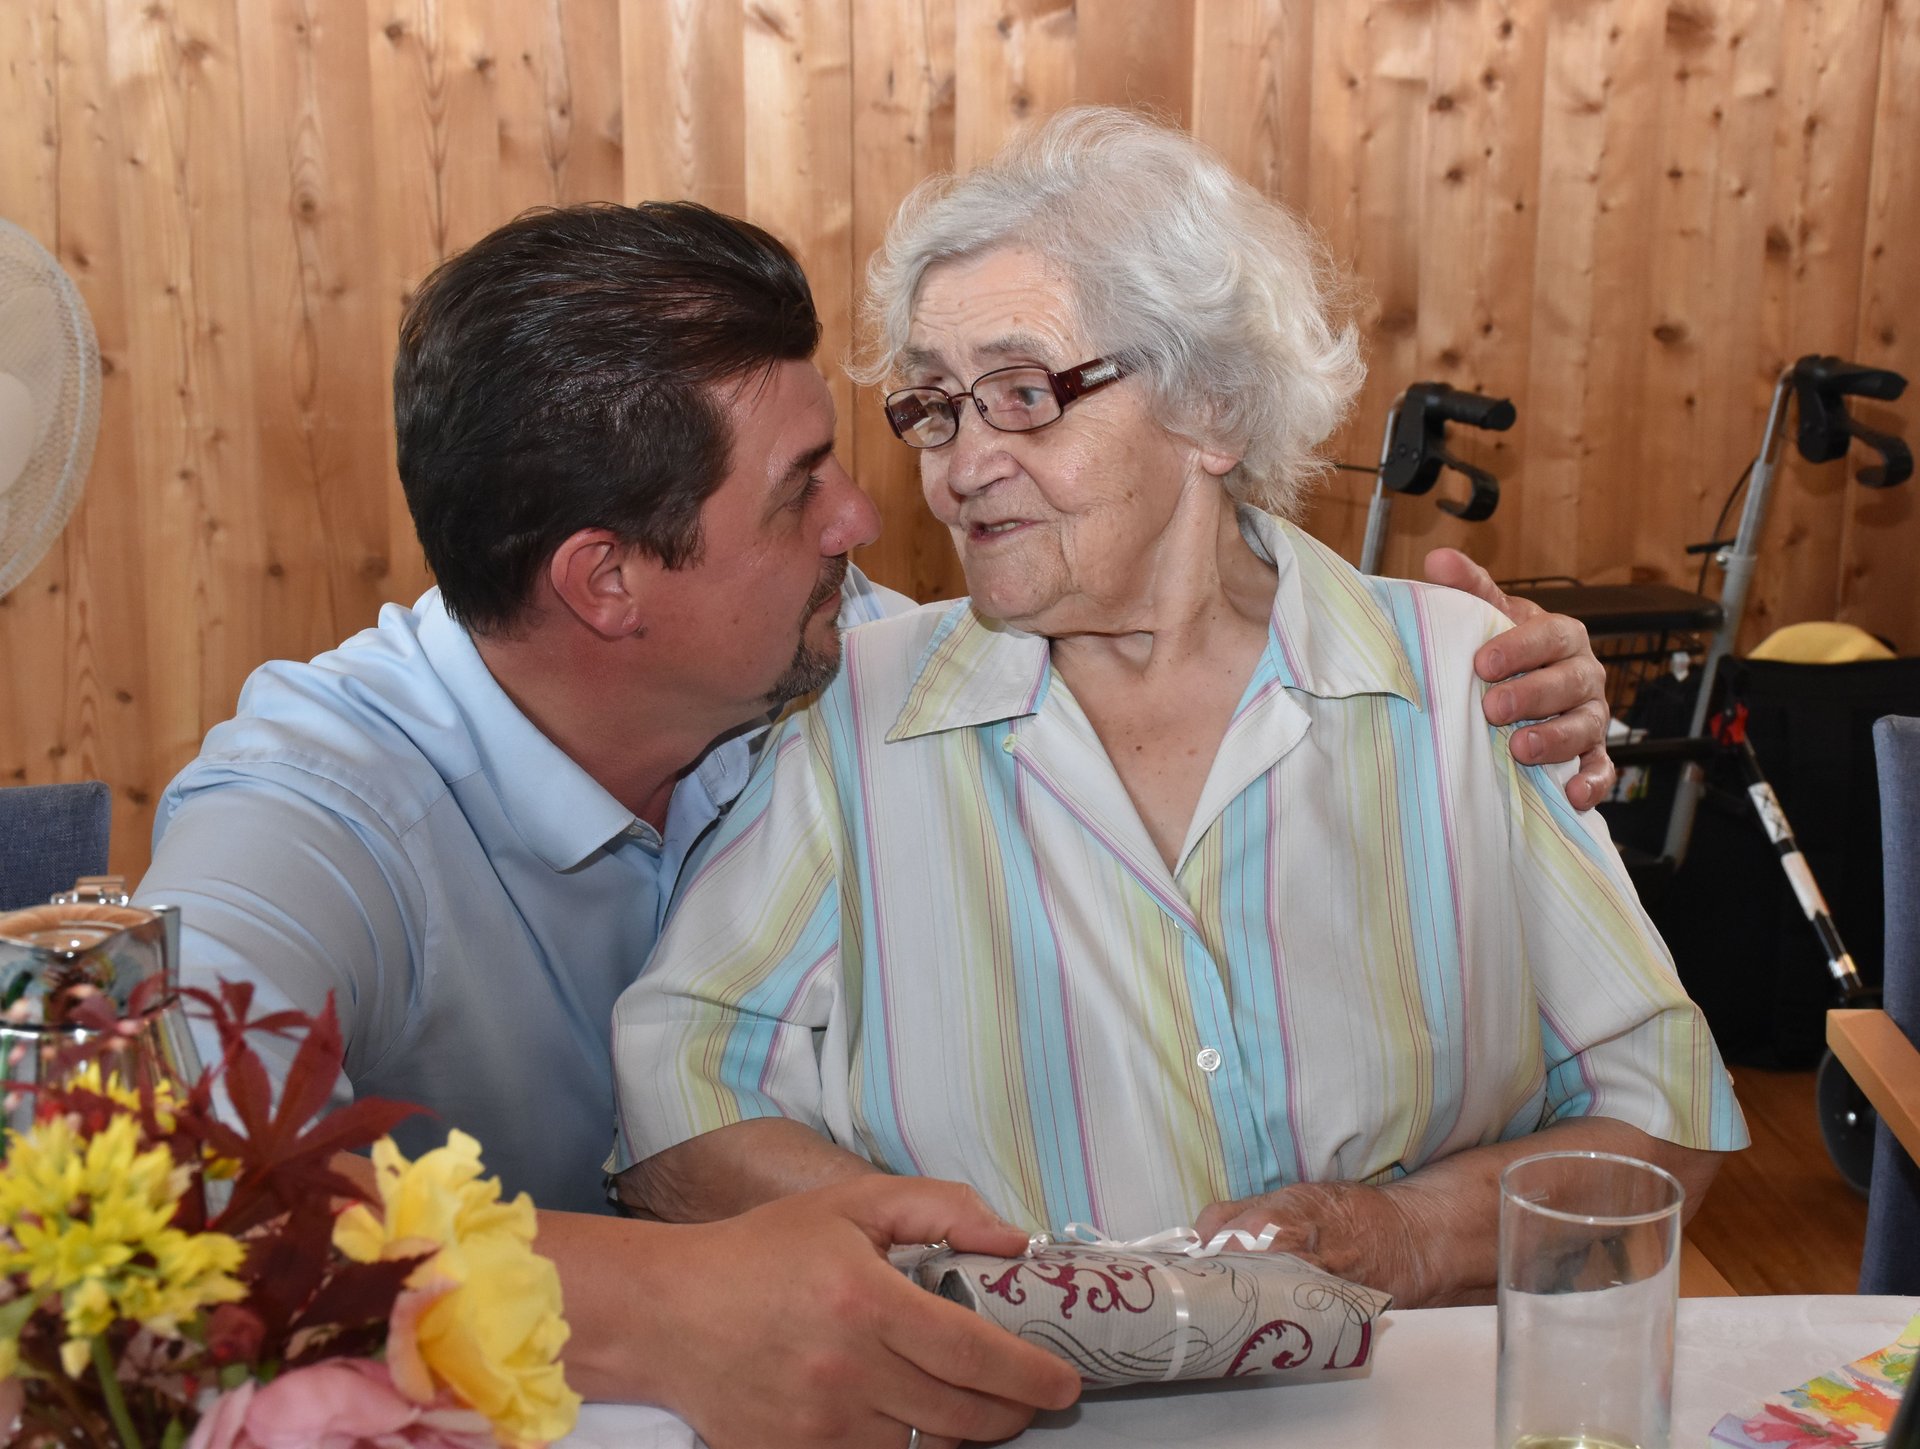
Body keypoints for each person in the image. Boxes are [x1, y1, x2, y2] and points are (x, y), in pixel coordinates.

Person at [138, 196, 1615, 1444]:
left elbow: (1175, 632)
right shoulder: (310, 814)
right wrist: (669, 1296)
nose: (865, 518)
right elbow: (153, 1216)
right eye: (800, 495)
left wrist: (1489, 685)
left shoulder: (834, 655)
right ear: (608, 584)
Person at [609, 108, 1749, 1311]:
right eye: (936, 404)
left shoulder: (1463, 681)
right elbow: (681, 1096)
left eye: (1023, 392)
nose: (959, 467)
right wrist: (953, 1277)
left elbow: (1665, 1112)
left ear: (1212, 408)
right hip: (994, 1392)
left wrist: (1406, 1237)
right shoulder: (855, 714)